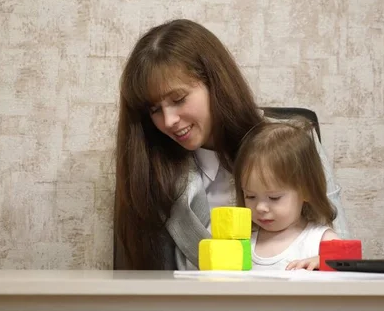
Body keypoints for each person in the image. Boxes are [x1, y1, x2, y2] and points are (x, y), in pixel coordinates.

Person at [114, 18, 349, 270]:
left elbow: (342, 255)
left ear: (215, 84)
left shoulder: (291, 146)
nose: (169, 121)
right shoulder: (156, 171)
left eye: (179, 99)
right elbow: (151, 277)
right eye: (154, 109)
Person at [234, 119, 340, 271]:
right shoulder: (244, 242)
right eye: (250, 196)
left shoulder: (319, 241)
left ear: (306, 190)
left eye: (274, 198)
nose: (260, 207)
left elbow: (353, 272)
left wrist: (326, 262)